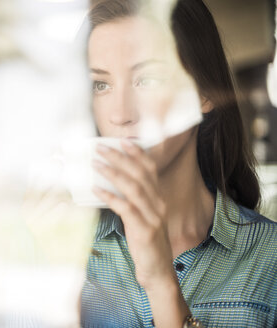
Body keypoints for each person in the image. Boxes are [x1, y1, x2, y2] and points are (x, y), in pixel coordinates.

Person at [81, 0, 277, 327]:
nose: (120, 114)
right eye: (101, 85)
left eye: (146, 80)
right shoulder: (72, 251)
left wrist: (162, 283)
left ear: (204, 91)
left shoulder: (269, 260)